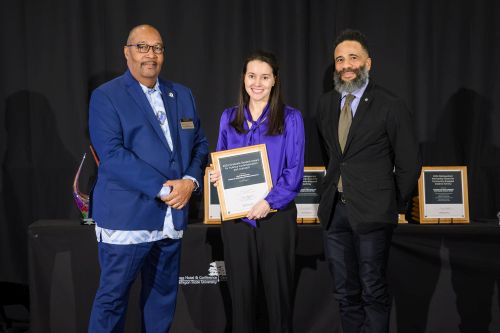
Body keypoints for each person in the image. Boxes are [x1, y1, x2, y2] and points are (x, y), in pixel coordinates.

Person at [87, 24, 208, 332]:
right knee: (112, 301)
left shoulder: (182, 94)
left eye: (157, 48)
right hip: (128, 218)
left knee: (162, 301)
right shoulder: (106, 96)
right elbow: (112, 156)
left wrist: (191, 182)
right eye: (142, 47)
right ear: (127, 52)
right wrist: (164, 187)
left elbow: (200, 145)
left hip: (172, 217)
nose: (150, 55)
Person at [316, 29, 421, 333]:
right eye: (339, 59)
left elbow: (409, 163)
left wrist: (392, 202)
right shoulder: (325, 105)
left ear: (368, 63)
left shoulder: (390, 105)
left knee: (373, 291)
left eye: (353, 58)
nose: (346, 65)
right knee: (345, 292)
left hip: (374, 213)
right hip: (335, 213)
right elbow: (332, 157)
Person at [211, 50, 304, 333]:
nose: (258, 83)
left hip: (276, 218)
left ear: (275, 80)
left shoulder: (291, 118)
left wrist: (269, 202)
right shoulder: (229, 118)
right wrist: (216, 176)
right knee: (240, 299)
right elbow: (220, 160)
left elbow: (294, 172)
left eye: (265, 77)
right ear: (244, 79)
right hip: (238, 221)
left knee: (278, 299)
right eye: (252, 76)